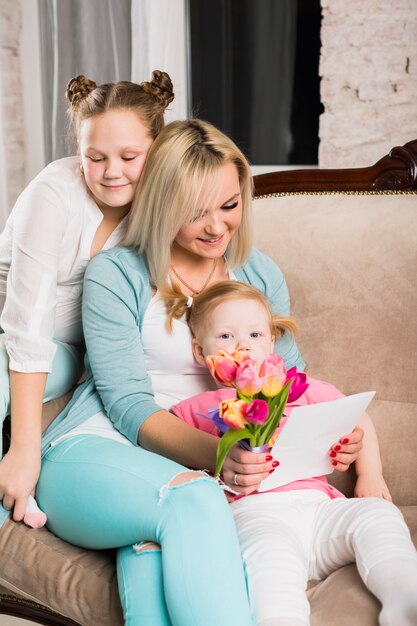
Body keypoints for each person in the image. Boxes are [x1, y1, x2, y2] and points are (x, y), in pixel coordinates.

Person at [34, 119, 363, 625]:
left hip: (186, 469)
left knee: (151, 576)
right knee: (195, 498)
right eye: (195, 213)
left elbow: (288, 384)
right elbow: (126, 405)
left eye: (229, 206)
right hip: (99, 449)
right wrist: (221, 455)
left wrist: (331, 438)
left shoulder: (258, 273)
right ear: (163, 205)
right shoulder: (117, 273)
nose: (216, 227)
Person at [170, 280, 417, 626]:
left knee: (377, 516)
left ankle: (405, 599)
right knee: (270, 569)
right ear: (200, 352)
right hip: (254, 516)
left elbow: (357, 415)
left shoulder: (296, 387)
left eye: (255, 336)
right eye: (226, 337)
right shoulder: (193, 409)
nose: (242, 346)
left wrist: (369, 472)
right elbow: (167, 466)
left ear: (272, 342)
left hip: (320, 508)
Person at [0, 69, 174, 527]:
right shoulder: (54, 193)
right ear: (78, 153)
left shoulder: (156, 209)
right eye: (95, 157)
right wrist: (24, 450)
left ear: (157, 150)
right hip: (13, 336)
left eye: (129, 156)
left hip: (71, 353)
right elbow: (27, 322)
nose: (112, 171)